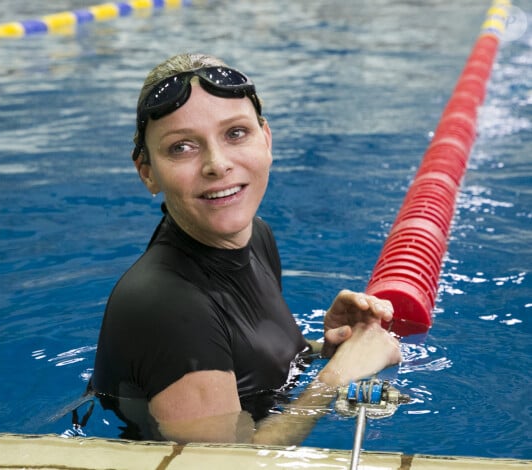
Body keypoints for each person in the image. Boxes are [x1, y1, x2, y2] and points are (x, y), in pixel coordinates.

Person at [90, 53, 401, 445]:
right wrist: (337, 378)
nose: (217, 164)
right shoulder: (165, 307)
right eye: (182, 147)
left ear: (266, 140)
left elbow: (243, 366)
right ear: (147, 172)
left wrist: (325, 348)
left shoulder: (257, 236)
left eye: (235, 133)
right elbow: (229, 463)